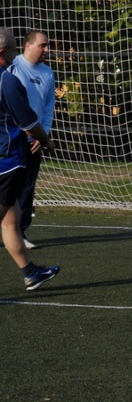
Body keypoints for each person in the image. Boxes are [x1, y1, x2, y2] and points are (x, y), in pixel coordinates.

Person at [0, 28, 60, 290]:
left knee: (11, 218)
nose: (17, 52)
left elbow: (43, 110)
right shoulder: (7, 80)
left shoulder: (42, 73)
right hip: (6, 160)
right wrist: (46, 140)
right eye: (15, 47)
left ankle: (31, 272)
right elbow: (28, 122)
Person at [9, 31, 55, 249]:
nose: (47, 50)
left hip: (34, 141)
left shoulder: (47, 72)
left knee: (27, 188)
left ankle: (20, 233)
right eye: (42, 45)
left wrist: (42, 134)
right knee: (7, 187)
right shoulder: (12, 66)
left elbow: (48, 106)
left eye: (47, 45)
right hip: (11, 138)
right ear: (28, 46)